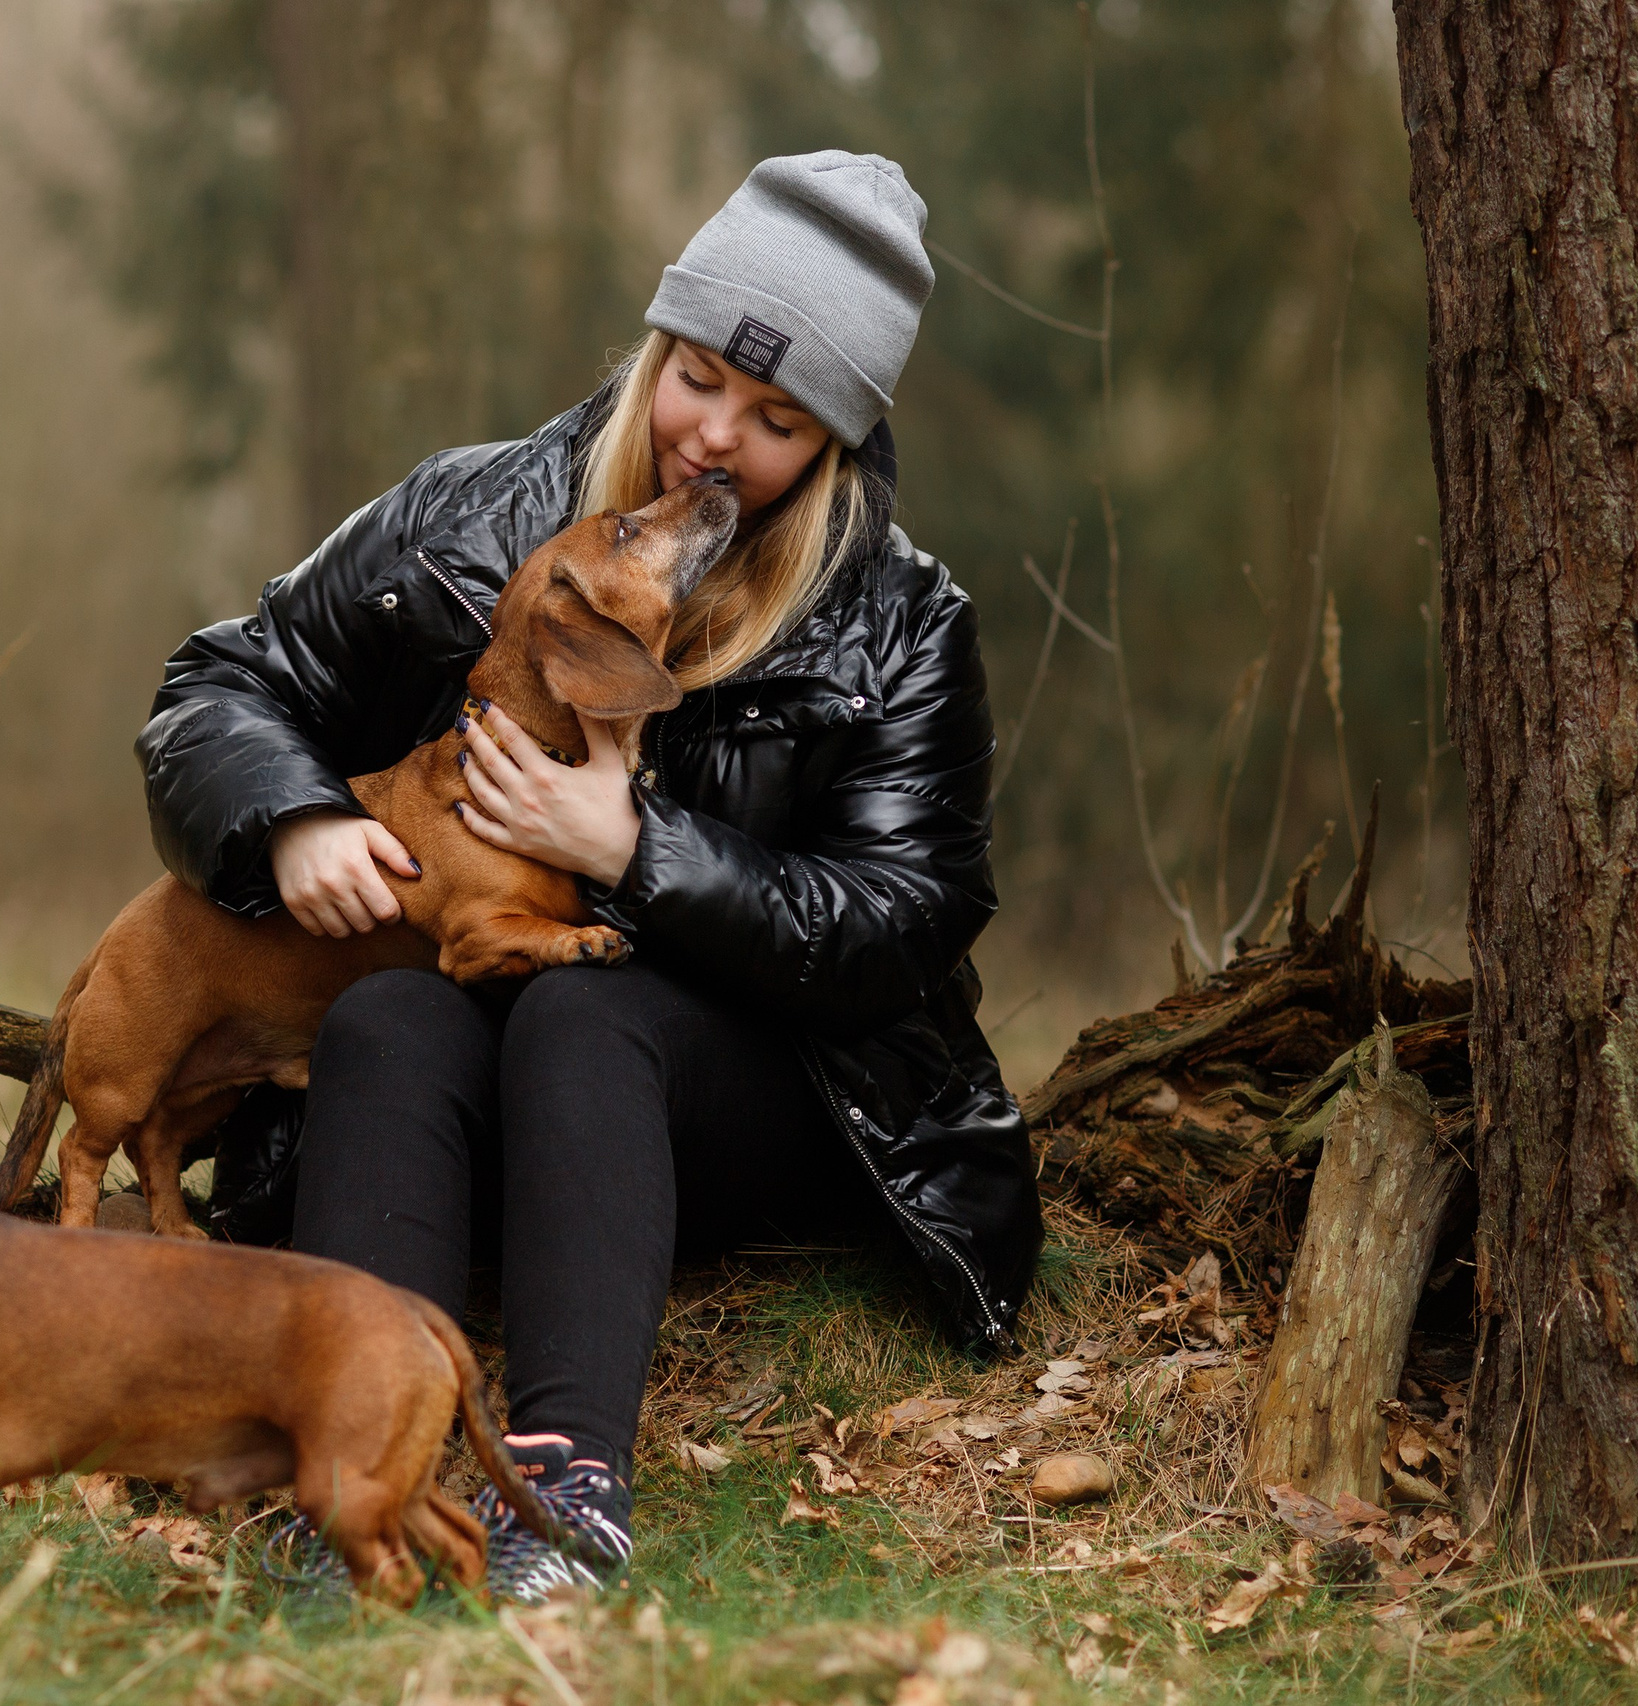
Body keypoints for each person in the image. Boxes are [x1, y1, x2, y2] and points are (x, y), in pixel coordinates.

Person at [135, 151, 1042, 1600]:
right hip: (475, 1082)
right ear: (655, 345)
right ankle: (365, 1485)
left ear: (839, 440)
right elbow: (217, 687)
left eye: (778, 417)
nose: (715, 438)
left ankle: (564, 1497)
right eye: (697, 377)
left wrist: (634, 848)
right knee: (383, 1019)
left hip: (760, 1102)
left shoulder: (902, 627)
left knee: (586, 1015)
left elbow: (903, 926)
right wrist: (289, 819)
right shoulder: (468, 517)